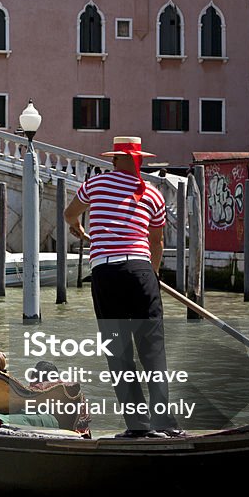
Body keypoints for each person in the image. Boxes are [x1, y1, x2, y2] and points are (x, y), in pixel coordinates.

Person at [64, 136, 183, 439]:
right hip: (139, 270)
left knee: (119, 353)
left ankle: (138, 428)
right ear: (139, 160)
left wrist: (80, 230)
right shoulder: (154, 195)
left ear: (116, 159)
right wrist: (151, 275)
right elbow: (156, 242)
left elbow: (70, 213)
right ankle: (165, 425)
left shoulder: (96, 184)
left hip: (105, 272)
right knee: (152, 350)